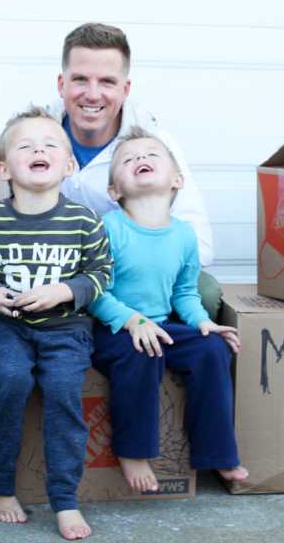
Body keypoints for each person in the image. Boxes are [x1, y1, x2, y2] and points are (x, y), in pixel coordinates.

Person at [0, 108, 112, 541]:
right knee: (9, 380)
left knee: (64, 392)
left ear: (68, 166)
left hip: (66, 329)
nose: (38, 150)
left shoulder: (85, 221)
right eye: (25, 145)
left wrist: (64, 291)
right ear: (3, 167)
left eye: (50, 144)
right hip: (9, 327)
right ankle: (0, 488)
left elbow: (101, 275)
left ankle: (64, 498)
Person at [88, 127, 248, 493]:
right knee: (142, 349)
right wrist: (133, 321)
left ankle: (217, 452)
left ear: (177, 180)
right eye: (127, 159)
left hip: (161, 324)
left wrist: (204, 323)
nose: (140, 159)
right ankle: (132, 451)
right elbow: (96, 292)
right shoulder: (109, 228)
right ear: (114, 191)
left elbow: (185, 293)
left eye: (150, 155)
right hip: (112, 329)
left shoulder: (183, 235)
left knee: (211, 349)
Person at [44, 22, 223, 317]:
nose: (92, 94)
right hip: (53, 268)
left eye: (106, 82)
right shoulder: (35, 136)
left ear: (125, 89)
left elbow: (200, 244)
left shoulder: (153, 145)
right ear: (62, 84)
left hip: (131, 277)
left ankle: (165, 348)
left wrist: (130, 263)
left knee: (205, 293)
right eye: (80, 79)